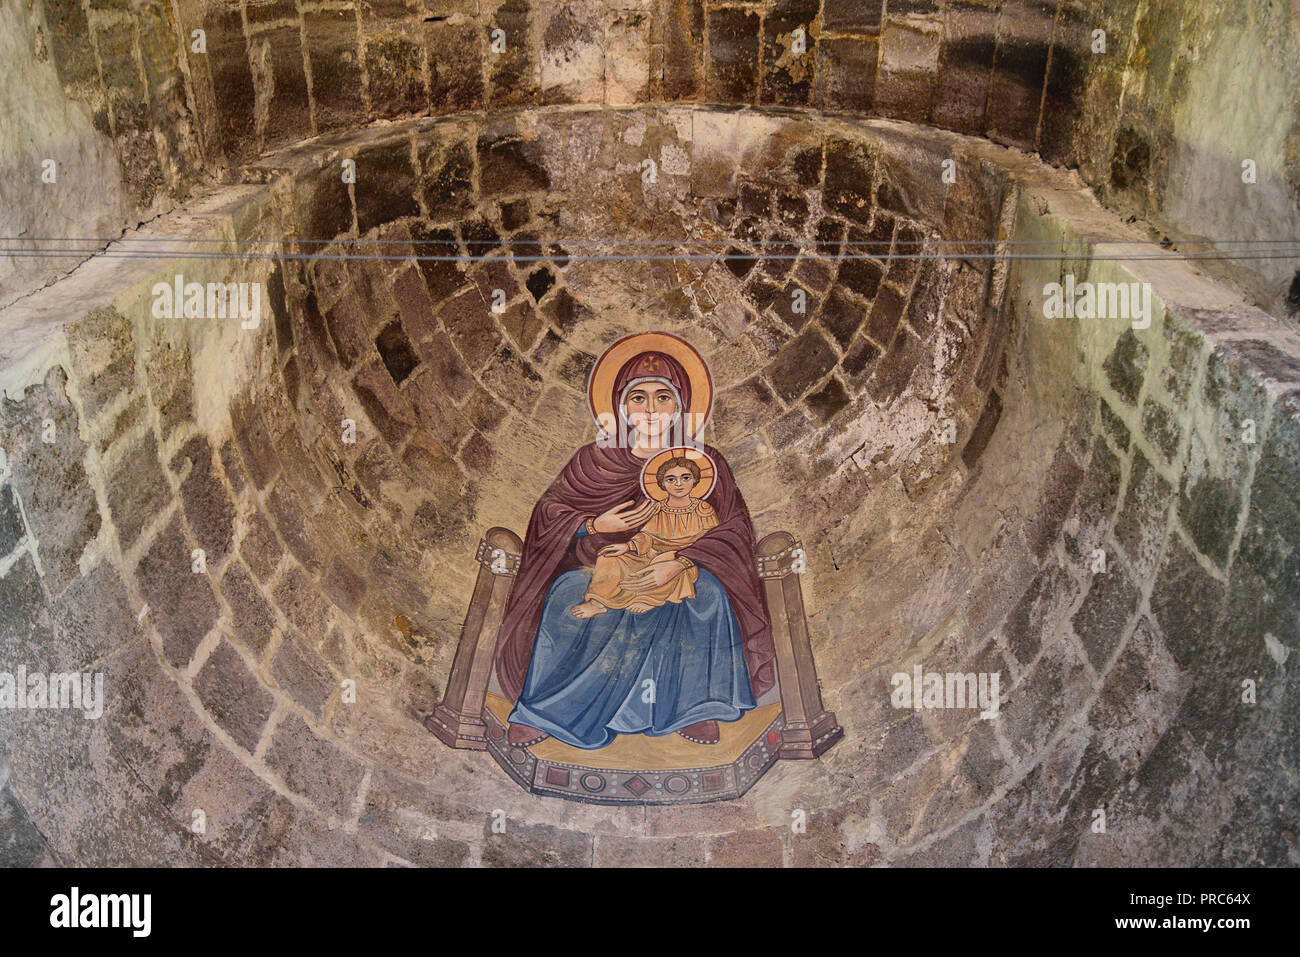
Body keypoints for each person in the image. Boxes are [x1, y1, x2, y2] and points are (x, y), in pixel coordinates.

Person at [493, 334, 777, 750]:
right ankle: (547, 711)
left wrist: (682, 560)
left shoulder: (706, 462)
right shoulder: (593, 461)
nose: (650, 409)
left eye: (663, 397)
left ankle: (691, 708)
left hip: (681, 567)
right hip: (609, 563)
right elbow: (547, 516)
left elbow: (733, 530)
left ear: (680, 406)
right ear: (621, 407)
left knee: (708, 595)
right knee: (568, 593)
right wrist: (592, 524)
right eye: (638, 398)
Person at [571, 455, 718, 618]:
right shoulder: (658, 508)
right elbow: (647, 536)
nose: (678, 484)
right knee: (609, 557)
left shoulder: (704, 509)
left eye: (685, 478)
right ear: (662, 484)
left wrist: (681, 556)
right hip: (650, 553)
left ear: (695, 480)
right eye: (671, 479)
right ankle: (597, 602)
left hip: (681, 558)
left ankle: (649, 599)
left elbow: (710, 541)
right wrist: (628, 546)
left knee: (662, 563)